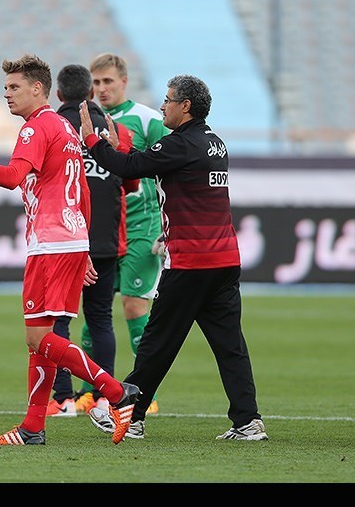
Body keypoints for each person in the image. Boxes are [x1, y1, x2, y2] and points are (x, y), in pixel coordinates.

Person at [0, 54, 139, 446]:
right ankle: (33, 427)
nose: (7, 95)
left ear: (38, 89)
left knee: (38, 339)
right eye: (5, 89)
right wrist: (81, 249)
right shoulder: (65, 127)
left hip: (49, 244)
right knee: (45, 337)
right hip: (69, 241)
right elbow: (82, 191)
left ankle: (117, 393)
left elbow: (13, 177)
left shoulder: (36, 128)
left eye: (14, 88)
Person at [79, 74, 268, 442]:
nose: (163, 105)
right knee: (230, 346)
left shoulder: (180, 144)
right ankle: (247, 421)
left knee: (156, 342)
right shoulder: (214, 143)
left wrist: (92, 142)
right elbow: (146, 164)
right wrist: (124, 150)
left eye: (168, 100)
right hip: (225, 260)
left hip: (191, 263)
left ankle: (127, 414)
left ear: (186, 107)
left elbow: (130, 169)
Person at [72, 53, 170, 416]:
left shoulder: (148, 120)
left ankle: (143, 389)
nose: (101, 89)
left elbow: (172, 163)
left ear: (123, 82)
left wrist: (168, 224)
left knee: (132, 305)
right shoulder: (85, 120)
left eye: (107, 82)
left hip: (143, 227)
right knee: (94, 313)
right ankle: (89, 390)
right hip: (103, 231)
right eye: (95, 83)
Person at [47, 64, 138, 417]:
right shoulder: (116, 128)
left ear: (58, 94)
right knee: (100, 318)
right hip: (105, 240)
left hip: (63, 238)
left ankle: (63, 399)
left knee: (57, 319)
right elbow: (130, 182)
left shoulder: (50, 126)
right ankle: (105, 398)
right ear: (89, 93)